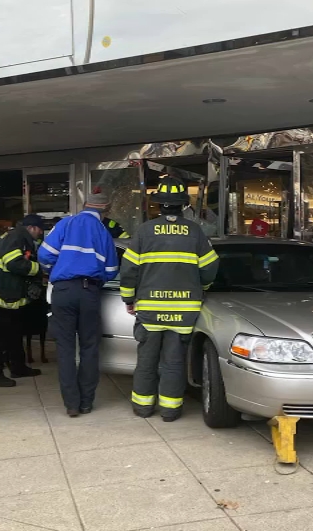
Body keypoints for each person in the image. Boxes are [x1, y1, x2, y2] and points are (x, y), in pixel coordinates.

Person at [120, 177, 218, 422]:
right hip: (184, 310)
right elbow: (210, 266)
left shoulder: (144, 231)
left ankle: (143, 408)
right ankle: (170, 411)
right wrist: (201, 287)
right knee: (174, 362)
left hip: (150, 309)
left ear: (159, 205)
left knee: (146, 360)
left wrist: (128, 298)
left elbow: (129, 269)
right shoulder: (195, 232)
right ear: (183, 204)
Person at [38, 190, 118, 417]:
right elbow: (112, 271)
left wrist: (55, 270)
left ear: (84, 205)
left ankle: (71, 405)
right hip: (89, 291)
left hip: (63, 292)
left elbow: (44, 254)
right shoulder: (104, 232)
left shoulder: (66, 224)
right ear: (106, 210)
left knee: (64, 349)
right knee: (89, 348)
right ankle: (86, 403)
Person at [0, 215, 45, 386]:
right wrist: (39, 269)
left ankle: (18, 367)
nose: (40, 233)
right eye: (39, 229)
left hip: (11, 296)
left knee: (15, 333)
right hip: (2, 296)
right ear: (32, 227)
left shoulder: (19, 237)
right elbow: (14, 263)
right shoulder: (17, 237)